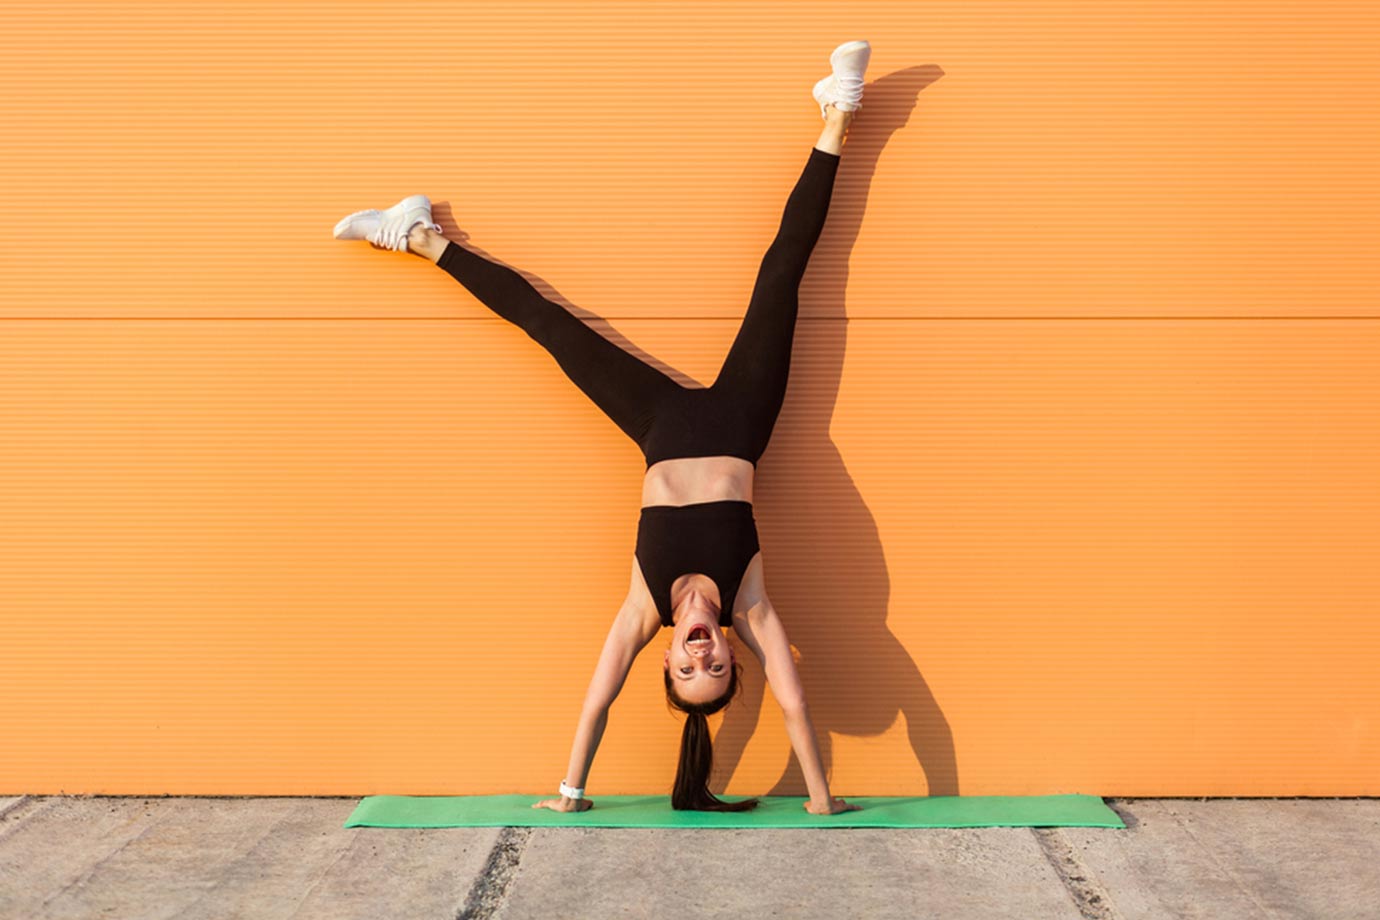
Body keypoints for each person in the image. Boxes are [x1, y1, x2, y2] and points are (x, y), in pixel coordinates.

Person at [334, 41, 873, 814]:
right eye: (716, 669)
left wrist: (570, 792)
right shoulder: (749, 603)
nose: (702, 657)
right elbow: (792, 704)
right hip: (740, 421)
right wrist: (820, 797)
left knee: (548, 328)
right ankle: (838, 114)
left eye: (687, 673)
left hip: (658, 426)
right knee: (783, 271)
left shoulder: (641, 609)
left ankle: (419, 236)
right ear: (731, 656)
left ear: (663, 663)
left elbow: (595, 704)